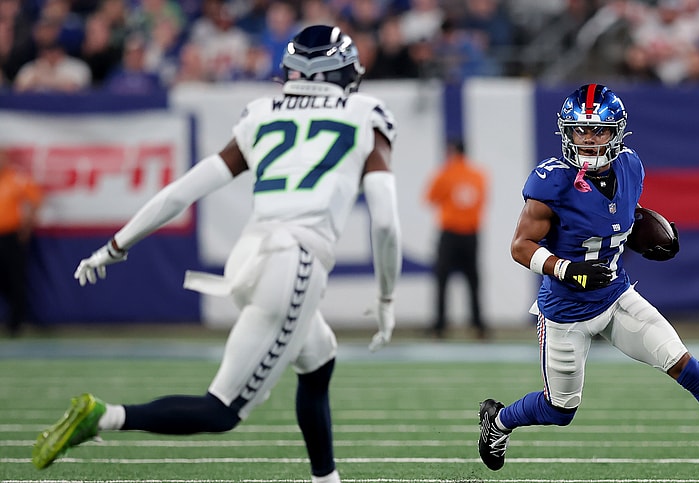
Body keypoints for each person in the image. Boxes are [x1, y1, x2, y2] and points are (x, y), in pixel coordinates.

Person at [32, 25, 403, 483]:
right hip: (296, 263)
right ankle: (104, 416)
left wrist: (115, 245)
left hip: (251, 257)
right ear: (345, 71)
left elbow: (179, 193)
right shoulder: (366, 113)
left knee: (318, 358)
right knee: (221, 411)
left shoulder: (264, 112)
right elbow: (385, 220)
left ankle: (326, 478)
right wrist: (387, 298)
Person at [477, 84, 699, 483]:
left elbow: (618, 218)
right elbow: (520, 247)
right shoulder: (551, 182)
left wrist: (643, 235)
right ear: (566, 131)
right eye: (580, 130)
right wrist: (568, 270)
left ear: (617, 133)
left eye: (598, 131)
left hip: (615, 298)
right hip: (565, 312)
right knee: (560, 411)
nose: (588, 139)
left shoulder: (631, 166)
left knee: (685, 365)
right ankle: (499, 421)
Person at [424, 139, 489, 339]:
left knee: (442, 279)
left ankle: (439, 326)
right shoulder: (478, 175)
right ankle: (478, 325)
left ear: (452, 151)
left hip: (450, 232)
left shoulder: (445, 173)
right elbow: (481, 200)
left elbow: (430, 198)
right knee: (473, 280)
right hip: (471, 233)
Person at [0, 148, 43, 337]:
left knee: (16, 279)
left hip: (11, 236)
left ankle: (16, 324)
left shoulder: (16, 178)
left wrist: (27, 226)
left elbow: (35, 199)